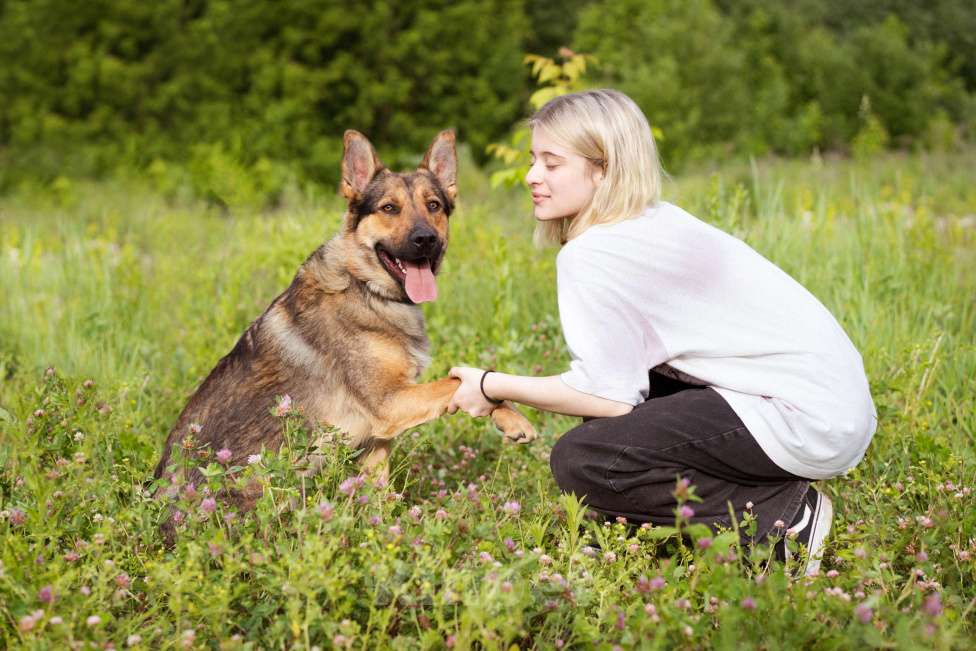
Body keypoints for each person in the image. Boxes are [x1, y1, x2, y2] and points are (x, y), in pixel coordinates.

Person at [446, 89, 876, 575]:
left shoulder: (593, 253)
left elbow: (604, 395)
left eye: (551, 163)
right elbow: (628, 385)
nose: (531, 177)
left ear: (602, 169)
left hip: (802, 417)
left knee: (584, 458)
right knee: (617, 423)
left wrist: (489, 384)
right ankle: (619, 531)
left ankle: (783, 520)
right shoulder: (651, 222)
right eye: (532, 161)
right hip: (830, 407)